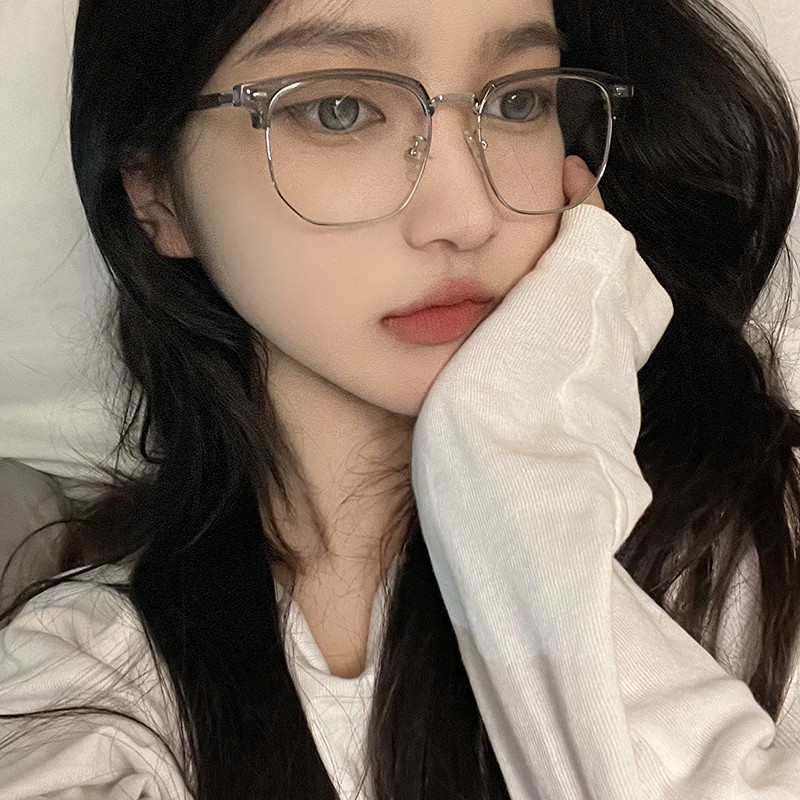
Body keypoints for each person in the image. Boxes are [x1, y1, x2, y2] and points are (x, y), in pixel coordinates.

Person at [0, 0, 799, 796]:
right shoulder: (89, 688)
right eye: (340, 110)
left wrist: (520, 489)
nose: (468, 216)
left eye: (519, 100)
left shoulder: (758, 538)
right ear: (157, 195)